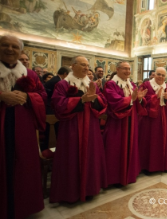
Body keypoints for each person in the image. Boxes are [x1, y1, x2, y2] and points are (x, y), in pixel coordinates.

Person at [50, 55, 108, 203]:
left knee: (91, 156)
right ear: (73, 66)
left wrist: (94, 98)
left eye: (87, 66)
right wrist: (81, 100)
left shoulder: (91, 84)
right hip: (71, 128)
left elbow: (102, 102)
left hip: (91, 127)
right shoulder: (63, 85)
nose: (86, 68)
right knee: (71, 157)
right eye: (82, 65)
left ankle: (89, 189)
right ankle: (70, 193)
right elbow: (58, 104)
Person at [0, 35, 46, 219]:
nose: (10, 49)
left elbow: (43, 96)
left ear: (20, 51)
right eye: (5, 45)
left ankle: (21, 206)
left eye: (14, 46)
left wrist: (28, 97)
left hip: (23, 127)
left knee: (22, 165)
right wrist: (2, 96)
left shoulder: (30, 74)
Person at [102, 62, 147, 186]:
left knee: (130, 144)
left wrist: (139, 99)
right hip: (117, 122)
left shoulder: (131, 84)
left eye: (129, 69)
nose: (128, 71)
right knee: (115, 147)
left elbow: (136, 101)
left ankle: (129, 174)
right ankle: (114, 178)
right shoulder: (111, 84)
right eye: (125, 69)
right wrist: (131, 99)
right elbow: (114, 101)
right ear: (117, 69)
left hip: (131, 120)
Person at [139, 67, 167, 173]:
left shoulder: (166, 86)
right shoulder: (146, 85)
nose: (161, 77)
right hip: (150, 118)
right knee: (150, 140)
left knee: (164, 139)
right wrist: (155, 97)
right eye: (159, 74)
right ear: (154, 75)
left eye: (163, 75)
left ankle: (163, 165)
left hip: (164, 115)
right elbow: (141, 99)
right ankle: (147, 166)